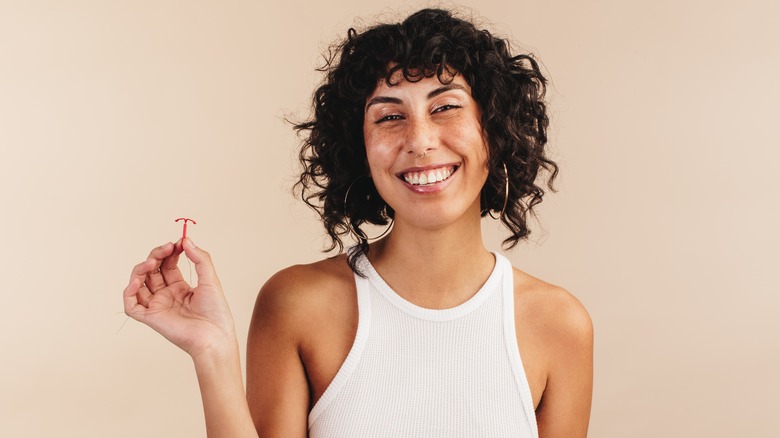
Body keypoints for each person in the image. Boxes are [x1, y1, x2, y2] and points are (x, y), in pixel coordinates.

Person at [123, 8, 593, 438]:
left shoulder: (559, 324)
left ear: (495, 130)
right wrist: (213, 353)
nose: (420, 140)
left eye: (445, 107)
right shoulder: (296, 304)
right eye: (389, 116)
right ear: (360, 150)